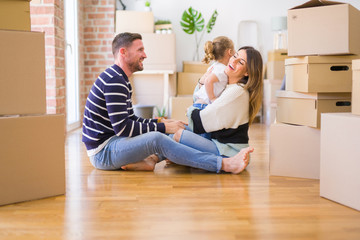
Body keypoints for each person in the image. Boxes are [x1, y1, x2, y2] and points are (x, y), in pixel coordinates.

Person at [82, 32, 252, 174]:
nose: (145, 55)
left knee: (164, 131)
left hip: (114, 143)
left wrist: (163, 123)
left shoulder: (121, 79)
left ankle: (152, 160)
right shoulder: (114, 80)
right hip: (104, 152)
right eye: (140, 50)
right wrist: (162, 127)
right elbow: (123, 129)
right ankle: (223, 164)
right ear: (123, 52)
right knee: (157, 137)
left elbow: (131, 119)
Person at [174, 46, 263, 165]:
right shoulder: (227, 85)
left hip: (228, 150)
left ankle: (222, 163)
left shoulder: (237, 91)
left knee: (178, 134)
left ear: (247, 72)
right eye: (235, 56)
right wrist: (202, 82)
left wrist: (190, 110)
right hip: (218, 142)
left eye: (240, 62)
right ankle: (165, 157)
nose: (233, 61)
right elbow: (198, 98)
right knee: (174, 130)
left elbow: (200, 120)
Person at [193, 36, 235, 106]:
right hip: (204, 104)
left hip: (200, 102)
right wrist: (212, 98)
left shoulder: (215, 66)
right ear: (230, 52)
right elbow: (208, 81)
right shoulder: (221, 69)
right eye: (234, 51)